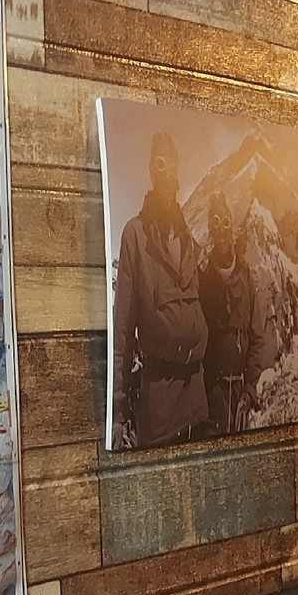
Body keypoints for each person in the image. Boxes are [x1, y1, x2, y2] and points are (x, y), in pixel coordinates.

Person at [113, 133, 207, 448]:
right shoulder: (135, 235)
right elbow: (123, 331)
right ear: (152, 170)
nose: (168, 172)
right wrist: (118, 411)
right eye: (160, 163)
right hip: (160, 407)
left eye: (172, 163)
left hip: (196, 402)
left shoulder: (186, 236)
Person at [198, 192, 258, 435]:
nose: (221, 229)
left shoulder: (245, 275)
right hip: (213, 394)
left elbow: (256, 335)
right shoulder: (203, 278)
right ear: (210, 229)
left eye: (225, 222)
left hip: (241, 393)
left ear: (232, 228)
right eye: (215, 221)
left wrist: (250, 390)